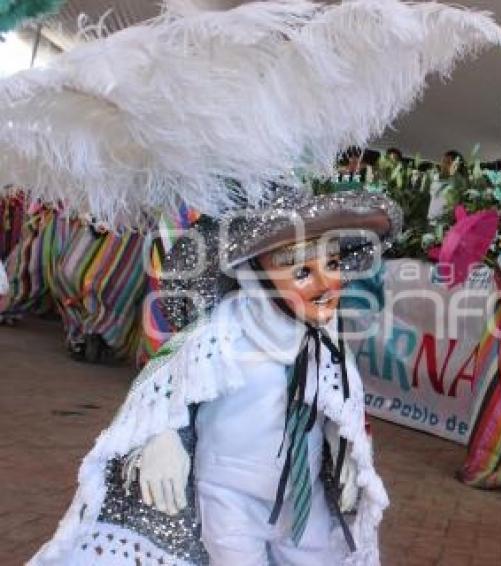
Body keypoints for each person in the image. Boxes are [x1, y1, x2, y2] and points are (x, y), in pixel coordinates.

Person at [31, 190, 400, 565]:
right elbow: (164, 386)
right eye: (302, 271)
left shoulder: (329, 344)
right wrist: (164, 436)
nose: (325, 284)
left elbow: (338, 404)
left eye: (333, 263)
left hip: (302, 498)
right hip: (230, 494)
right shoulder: (220, 333)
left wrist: (346, 452)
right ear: (259, 275)